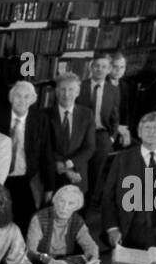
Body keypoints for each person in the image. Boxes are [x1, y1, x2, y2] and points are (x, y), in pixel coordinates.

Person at [101, 112, 156, 256]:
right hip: (128, 229)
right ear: (139, 132)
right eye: (147, 128)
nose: (151, 132)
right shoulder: (122, 159)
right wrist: (112, 228)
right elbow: (108, 196)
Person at [0, 80, 56, 233]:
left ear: (33, 100)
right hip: (0, 177)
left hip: (26, 179)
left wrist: (49, 186)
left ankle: (18, 253)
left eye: (26, 97)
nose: (22, 100)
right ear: (11, 98)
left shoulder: (40, 119)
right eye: (18, 96)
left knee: (23, 221)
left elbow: (46, 153)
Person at [76, 52, 127, 192]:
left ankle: (89, 202)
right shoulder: (80, 86)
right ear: (90, 68)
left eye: (104, 66)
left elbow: (115, 117)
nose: (100, 69)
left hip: (101, 134)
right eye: (96, 66)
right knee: (79, 170)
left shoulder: (113, 90)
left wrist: (112, 137)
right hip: (80, 133)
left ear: (109, 69)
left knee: (96, 172)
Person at [27, 185, 99, 264]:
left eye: (71, 203)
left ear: (76, 207)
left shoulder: (77, 221)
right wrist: (45, 259)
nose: (64, 207)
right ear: (55, 201)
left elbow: (90, 245)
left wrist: (93, 258)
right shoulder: (39, 219)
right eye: (62, 201)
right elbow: (30, 251)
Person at [45, 73, 95, 190]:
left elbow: (89, 147)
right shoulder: (44, 115)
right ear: (56, 92)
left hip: (77, 174)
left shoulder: (87, 114)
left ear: (77, 92)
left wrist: (68, 165)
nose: (66, 94)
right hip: (51, 175)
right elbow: (44, 147)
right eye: (62, 89)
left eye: (71, 89)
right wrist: (63, 169)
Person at [109, 50, 136, 134]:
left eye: (122, 67)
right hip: (106, 128)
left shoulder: (124, 86)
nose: (118, 70)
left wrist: (125, 130)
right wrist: (117, 127)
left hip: (120, 128)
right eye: (115, 67)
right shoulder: (102, 84)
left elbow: (125, 111)